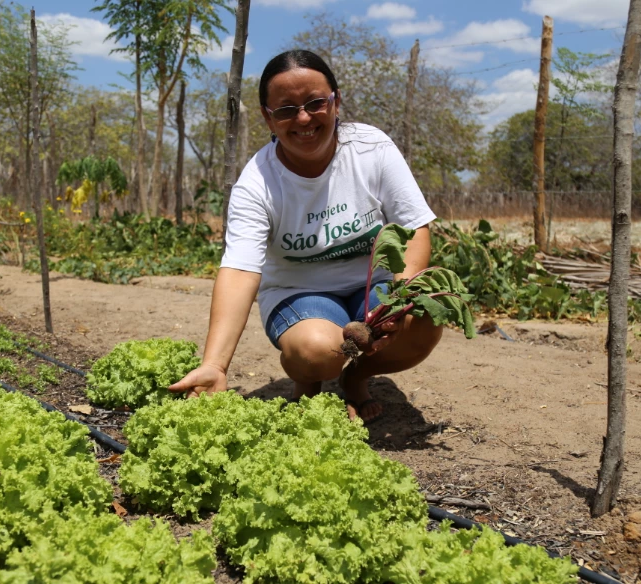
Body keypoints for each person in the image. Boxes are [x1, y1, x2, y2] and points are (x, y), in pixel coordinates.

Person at [168, 49, 442, 422]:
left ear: (335, 101)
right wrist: (216, 365)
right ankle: (309, 378)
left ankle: (356, 377)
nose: (303, 118)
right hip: (299, 295)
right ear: (268, 116)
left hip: (372, 287)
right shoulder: (257, 183)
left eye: (315, 103)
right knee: (318, 350)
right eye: (285, 109)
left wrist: (400, 298)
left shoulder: (371, 149)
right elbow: (239, 270)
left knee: (423, 318)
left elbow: (413, 228)